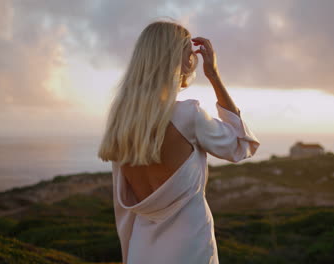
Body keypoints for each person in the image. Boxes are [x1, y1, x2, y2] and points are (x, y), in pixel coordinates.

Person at [97, 19, 260, 264]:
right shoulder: (188, 116)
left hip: (141, 248)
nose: (193, 59)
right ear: (179, 59)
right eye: (190, 53)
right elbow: (241, 145)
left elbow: (125, 212)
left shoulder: (121, 123)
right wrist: (214, 76)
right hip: (189, 247)